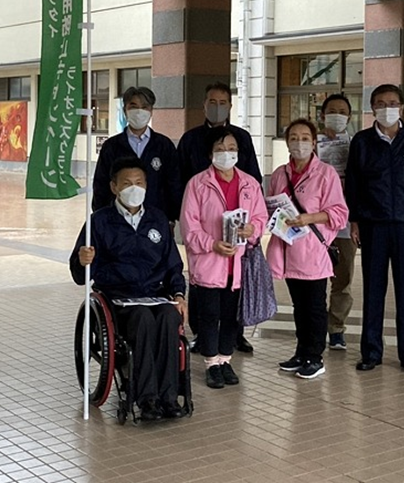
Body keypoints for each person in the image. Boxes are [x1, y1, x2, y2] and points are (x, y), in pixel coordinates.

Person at [70, 157, 187, 421]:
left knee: (169, 317)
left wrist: (179, 295)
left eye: (139, 183)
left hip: (155, 294)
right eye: (126, 184)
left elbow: (173, 265)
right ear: (114, 187)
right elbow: (79, 276)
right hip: (118, 298)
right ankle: (147, 399)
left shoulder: (157, 219)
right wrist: (83, 260)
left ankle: (169, 397)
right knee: (143, 319)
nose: (134, 188)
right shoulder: (99, 222)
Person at [345, 84, 404, 376]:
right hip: (373, 225)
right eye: (381, 103)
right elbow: (354, 183)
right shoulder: (362, 141)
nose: (388, 108)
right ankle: (371, 352)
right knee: (373, 290)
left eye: (393, 103)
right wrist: (355, 219)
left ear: (402, 107)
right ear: (373, 108)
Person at [177, 82, 262, 354]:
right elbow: (179, 179)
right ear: (204, 105)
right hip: (203, 228)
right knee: (203, 292)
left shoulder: (242, 137)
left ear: (230, 106)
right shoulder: (190, 139)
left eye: (222, 102)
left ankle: (234, 338)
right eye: (212, 102)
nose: (217, 107)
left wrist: (252, 226)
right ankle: (203, 339)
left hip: (236, 238)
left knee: (232, 293)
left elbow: (254, 180)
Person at [180, 127, 267, 389]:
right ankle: (211, 363)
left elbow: (260, 217)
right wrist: (212, 244)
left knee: (231, 316)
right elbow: (189, 227)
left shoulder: (250, 183)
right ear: (210, 154)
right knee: (209, 315)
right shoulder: (197, 184)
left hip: (237, 265)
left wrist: (252, 230)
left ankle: (225, 360)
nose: (226, 154)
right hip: (209, 263)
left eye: (231, 149)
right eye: (220, 149)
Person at [267, 118, 348, 379]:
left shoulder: (326, 173)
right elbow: (272, 205)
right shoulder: (280, 174)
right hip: (288, 248)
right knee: (299, 306)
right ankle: (301, 352)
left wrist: (308, 218)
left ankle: (315, 356)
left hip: (313, 251)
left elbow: (339, 213)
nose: (299, 143)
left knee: (314, 307)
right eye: (293, 138)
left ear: (314, 143)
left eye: (304, 138)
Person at [91, 86, 182, 221]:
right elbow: (101, 185)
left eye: (144, 107)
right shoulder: (112, 146)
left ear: (151, 111)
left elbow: (174, 184)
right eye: (133, 106)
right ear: (125, 110)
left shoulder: (164, 145)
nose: (139, 111)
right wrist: (102, 218)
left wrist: (170, 218)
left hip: (155, 219)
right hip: (117, 219)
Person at [316, 94, 358, 350]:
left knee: (342, 279)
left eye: (342, 111)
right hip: (316, 224)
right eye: (332, 110)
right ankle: (315, 326)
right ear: (322, 115)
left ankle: (336, 328)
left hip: (345, 225)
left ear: (349, 117)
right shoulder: (312, 143)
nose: (337, 115)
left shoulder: (357, 145)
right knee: (314, 278)